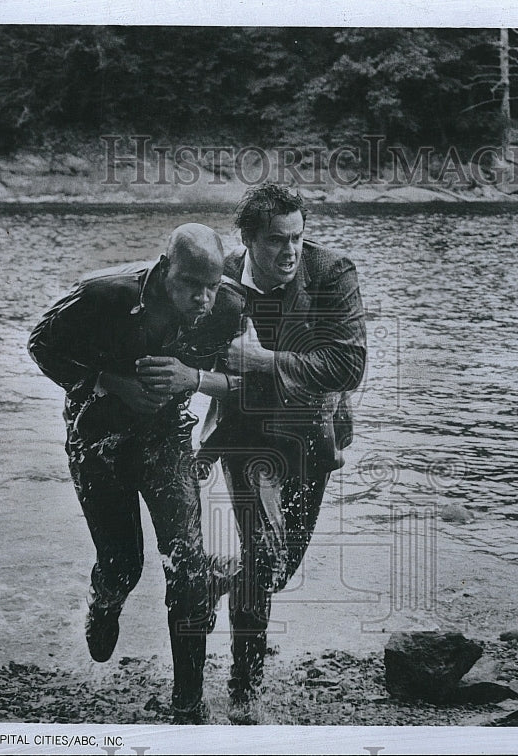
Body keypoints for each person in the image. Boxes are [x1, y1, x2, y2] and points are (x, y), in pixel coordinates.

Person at [27, 223, 243, 724]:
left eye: (211, 285)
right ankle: (105, 600)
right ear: (166, 268)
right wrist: (111, 381)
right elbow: (40, 344)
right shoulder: (105, 294)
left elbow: (240, 377)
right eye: (191, 284)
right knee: (124, 563)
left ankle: (187, 703)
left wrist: (196, 383)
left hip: (165, 437)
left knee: (189, 564)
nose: (202, 298)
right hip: (97, 434)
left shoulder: (229, 306)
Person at [203, 183, 367, 723]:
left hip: (309, 437)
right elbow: (188, 352)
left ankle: (212, 581)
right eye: (276, 241)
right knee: (262, 559)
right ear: (247, 239)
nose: (290, 251)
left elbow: (348, 366)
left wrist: (263, 358)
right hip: (246, 436)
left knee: (277, 570)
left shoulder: (331, 274)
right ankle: (244, 696)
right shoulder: (217, 277)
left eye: (297, 237)